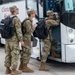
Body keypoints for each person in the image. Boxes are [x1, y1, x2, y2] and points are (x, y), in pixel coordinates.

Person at [5, 5, 24, 75]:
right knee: (15, 54)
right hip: (14, 40)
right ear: (14, 10)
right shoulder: (16, 19)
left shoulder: (7, 18)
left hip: (7, 39)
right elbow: (18, 31)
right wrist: (21, 40)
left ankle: (7, 69)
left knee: (8, 54)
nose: (18, 10)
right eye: (17, 9)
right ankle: (13, 70)